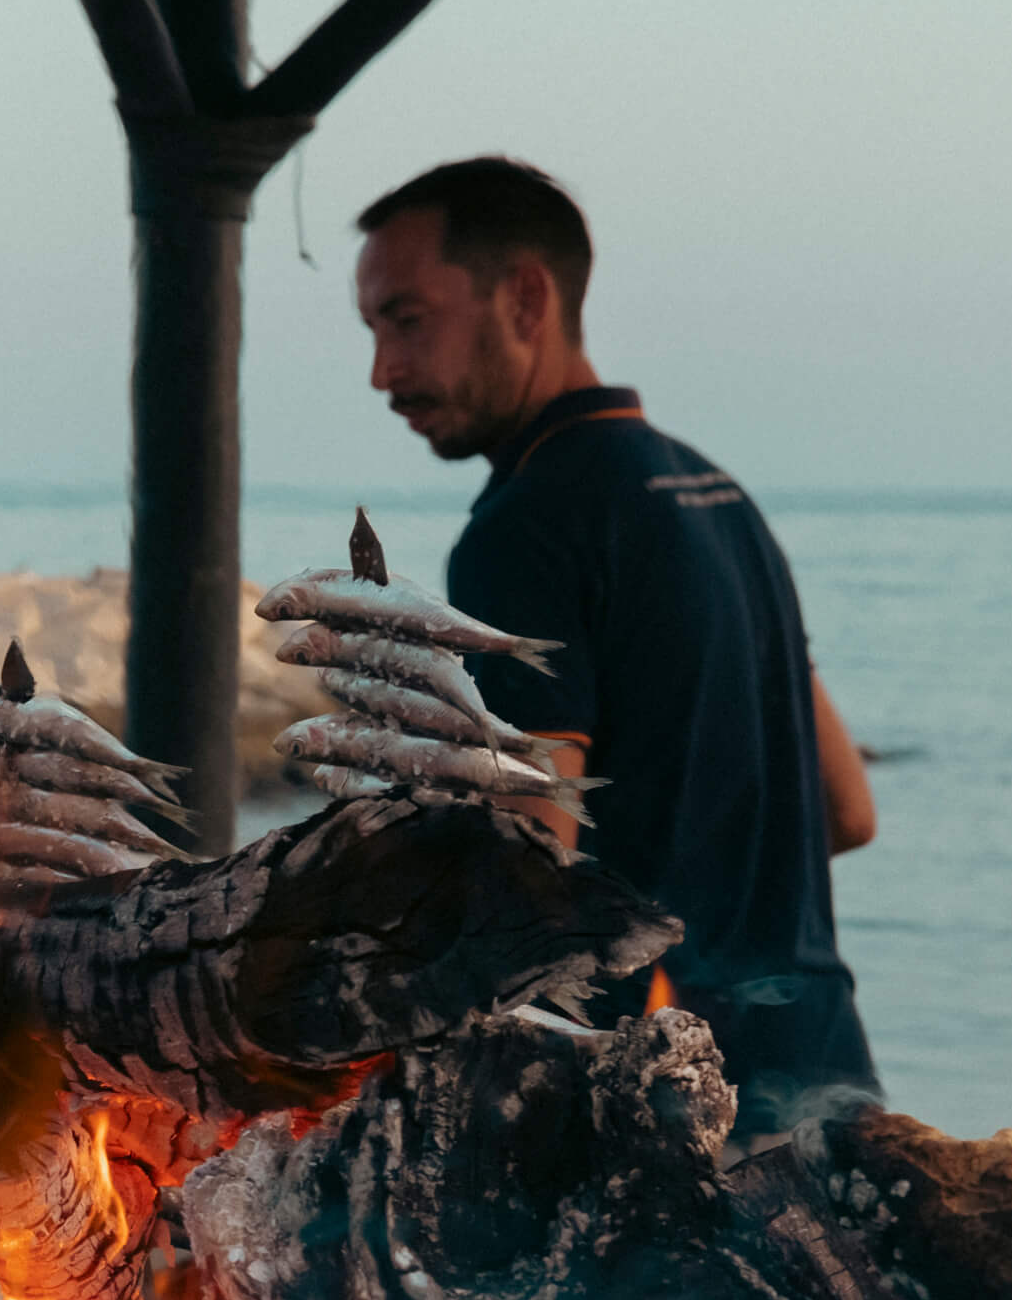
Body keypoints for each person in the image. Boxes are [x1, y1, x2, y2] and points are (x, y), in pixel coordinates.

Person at [350, 155, 880, 1143]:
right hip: (826, 1079)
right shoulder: (717, 498)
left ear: (525, 298)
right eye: (374, 331)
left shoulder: (527, 527)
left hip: (669, 1107)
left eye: (407, 321)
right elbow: (844, 810)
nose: (382, 371)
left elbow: (532, 855)